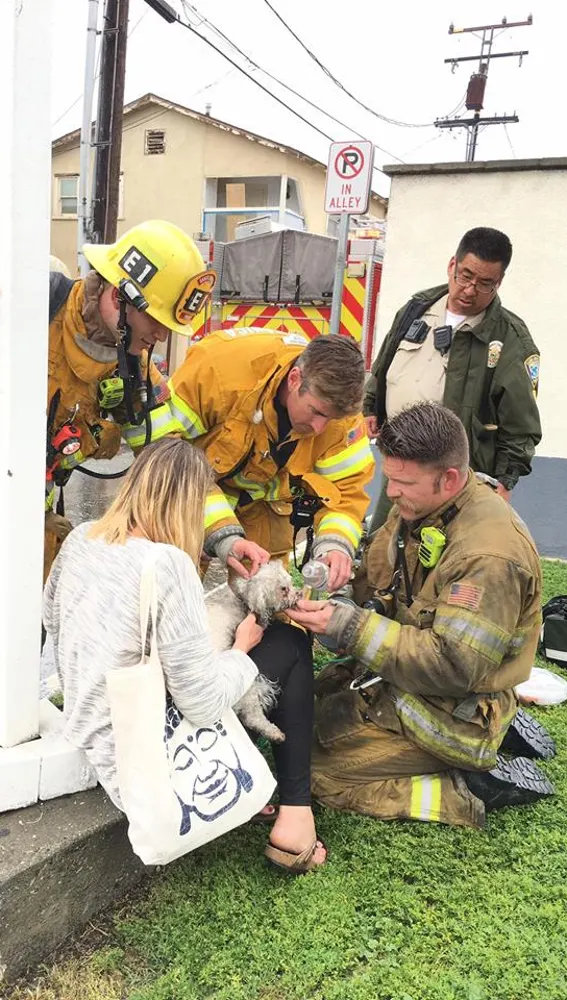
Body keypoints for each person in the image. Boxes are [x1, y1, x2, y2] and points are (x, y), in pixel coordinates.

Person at [43, 439, 327, 872]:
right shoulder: (168, 564)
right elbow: (202, 703)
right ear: (189, 504)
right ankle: (295, 817)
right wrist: (241, 649)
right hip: (141, 757)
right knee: (289, 644)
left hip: (88, 725)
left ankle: (282, 803)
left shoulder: (82, 537)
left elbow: (52, 620)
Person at [287, 403, 555, 830]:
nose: (391, 492)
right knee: (307, 712)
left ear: (448, 478)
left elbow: (453, 665)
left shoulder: (488, 556)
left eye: (403, 482)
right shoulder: (423, 505)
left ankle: (467, 786)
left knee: (311, 771)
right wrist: (344, 582)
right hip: (412, 682)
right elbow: (381, 574)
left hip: (451, 709)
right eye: (389, 478)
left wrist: (349, 626)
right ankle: (502, 724)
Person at [123, 330, 375, 592]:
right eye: (316, 412)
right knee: (166, 590)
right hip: (189, 494)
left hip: (264, 511)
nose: (319, 428)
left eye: (331, 419)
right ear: (294, 379)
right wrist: (224, 535)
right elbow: (167, 456)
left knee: (270, 597)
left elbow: (346, 495)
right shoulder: (219, 368)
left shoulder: (342, 415)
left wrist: (335, 544)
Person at [45, 219, 216, 582]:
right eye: (155, 319)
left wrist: (223, 535)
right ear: (119, 297)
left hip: (35, 530)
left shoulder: (132, 366)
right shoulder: (35, 314)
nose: (162, 335)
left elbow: (168, 458)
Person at [364, 227, 542, 532]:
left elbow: (520, 426)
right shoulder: (417, 309)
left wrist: (505, 481)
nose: (470, 290)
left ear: (499, 283)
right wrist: (371, 406)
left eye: (485, 284)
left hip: (453, 480)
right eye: (465, 276)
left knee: (442, 553)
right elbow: (385, 362)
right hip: (400, 463)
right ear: (452, 265)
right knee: (383, 545)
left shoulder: (510, 340)